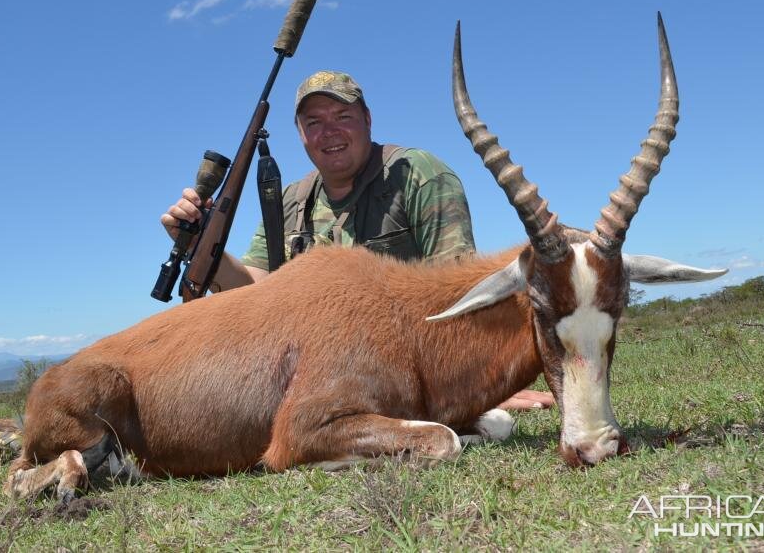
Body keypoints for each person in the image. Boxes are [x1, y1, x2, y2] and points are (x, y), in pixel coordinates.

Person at [162, 70, 553, 412]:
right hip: (319, 375)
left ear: (367, 120)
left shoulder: (417, 173)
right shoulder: (291, 201)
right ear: (301, 135)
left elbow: (457, 291)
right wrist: (200, 248)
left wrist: (475, 384)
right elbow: (252, 288)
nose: (329, 131)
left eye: (343, 116)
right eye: (313, 122)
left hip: (406, 370)